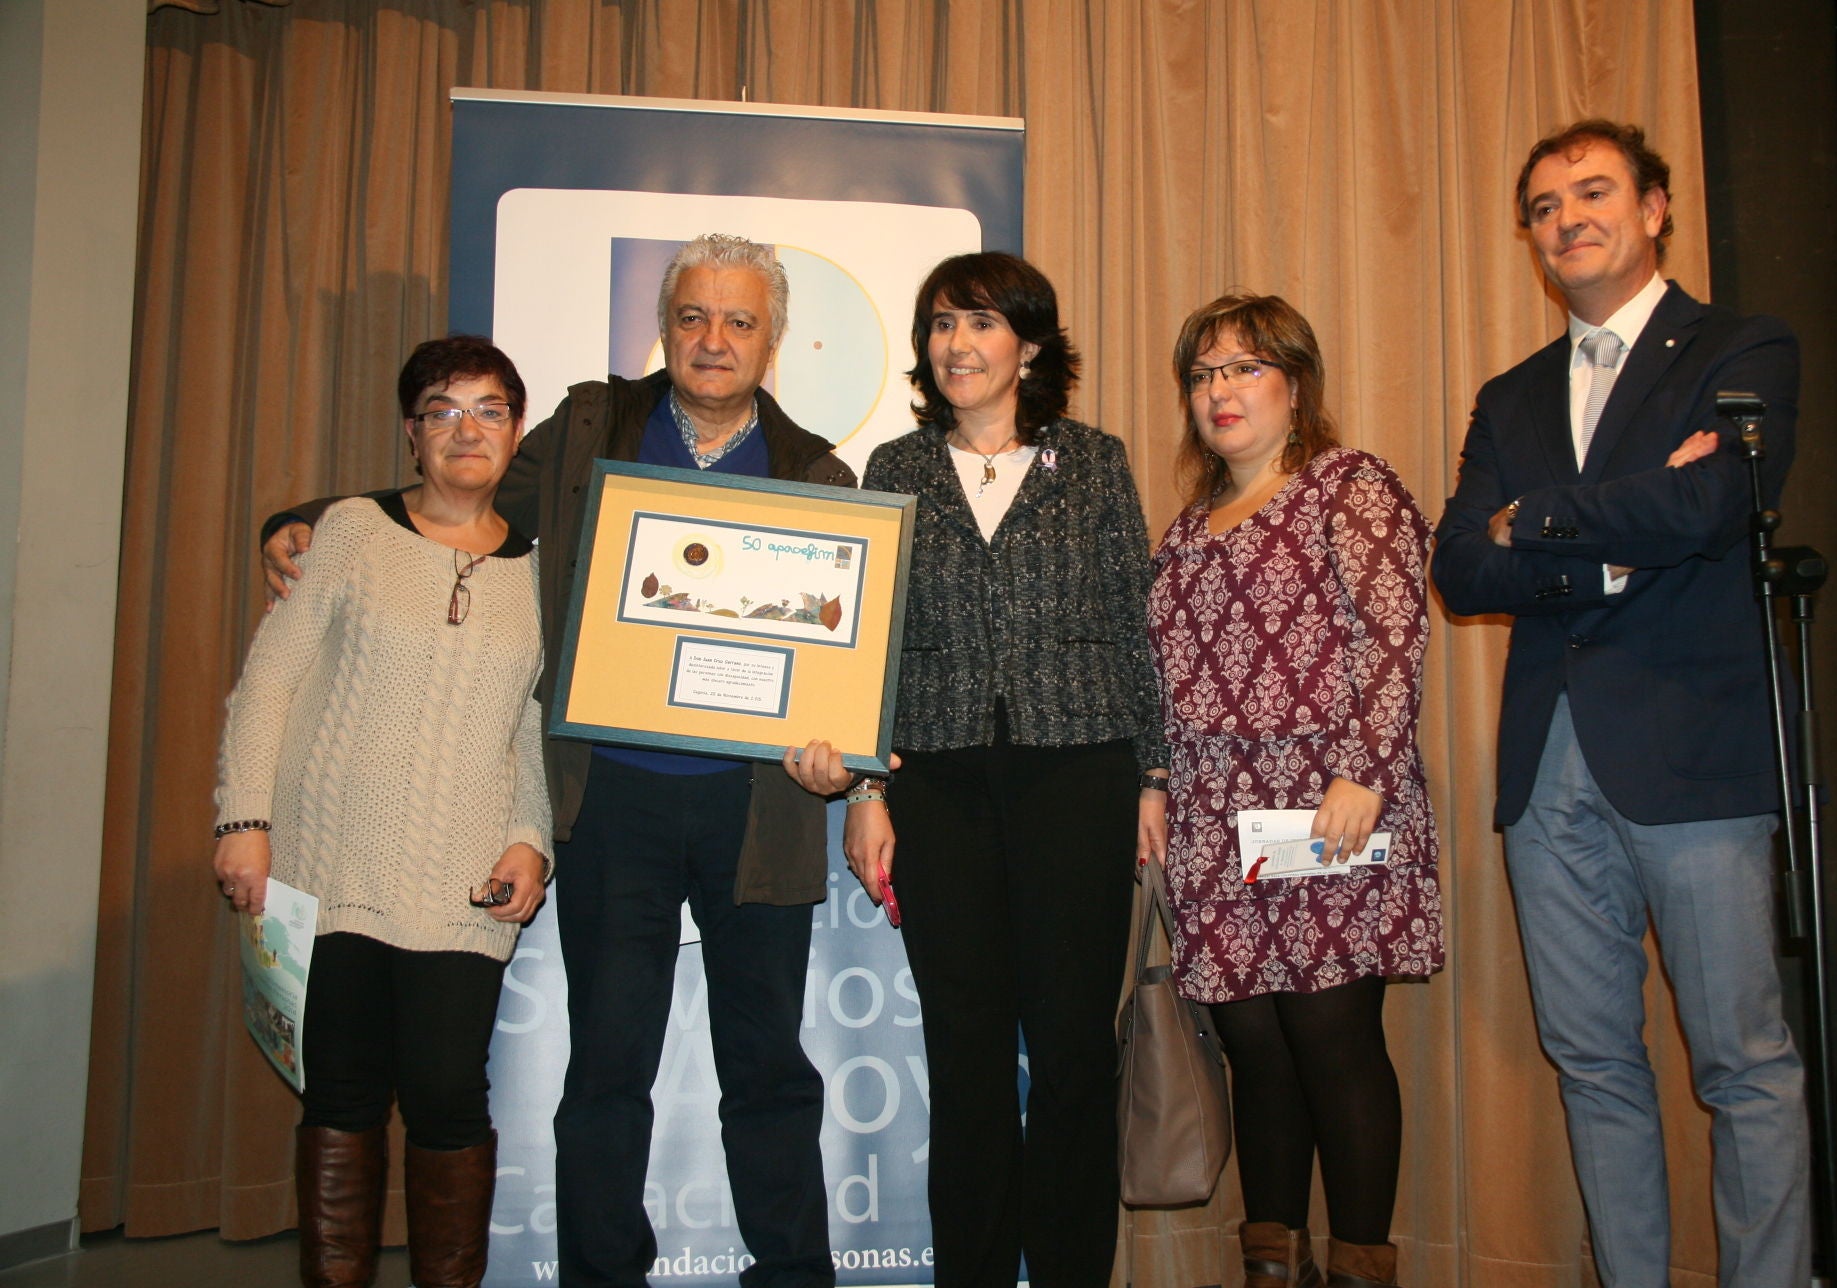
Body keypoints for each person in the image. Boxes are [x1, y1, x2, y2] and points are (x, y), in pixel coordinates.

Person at [263, 235, 857, 1288]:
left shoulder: (819, 470)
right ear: (663, 328)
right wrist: (309, 523)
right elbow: (464, 505)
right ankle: (602, 1274)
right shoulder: (591, 426)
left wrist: (840, 760)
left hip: (757, 812)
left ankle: (795, 1273)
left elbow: (840, 663)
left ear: (772, 341)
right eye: (692, 317)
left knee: (767, 1067)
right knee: (607, 1071)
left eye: (738, 321)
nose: (712, 340)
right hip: (613, 804)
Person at [1432, 120, 1809, 1286]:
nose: (1566, 219)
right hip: (1548, 771)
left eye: (1592, 192)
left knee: (1743, 1065)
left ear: (1654, 207)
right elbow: (1457, 568)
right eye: (1543, 206)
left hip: (1693, 758)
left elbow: (1715, 509)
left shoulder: (1743, 345)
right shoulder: (1510, 397)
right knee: (1592, 1064)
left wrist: (1539, 518)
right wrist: (1613, 534)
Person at [790, 251, 1164, 1287]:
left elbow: (1140, 629)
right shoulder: (897, 470)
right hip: (938, 781)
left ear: (1028, 346)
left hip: (1077, 772)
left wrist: (1153, 779)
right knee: (963, 1059)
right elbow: (869, 640)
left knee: (1074, 1053)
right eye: (941, 325)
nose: (956, 344)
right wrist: (866, 790)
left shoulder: (1092, 461)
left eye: (981, 324)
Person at [215, 335, 549, 1288]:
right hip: (327, 873)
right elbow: (268, 682)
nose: (466, 429)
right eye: (442, 410)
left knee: (447, 1097)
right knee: (343, 1097)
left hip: (464, 886)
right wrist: (243, 820)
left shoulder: (538, 572)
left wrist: (530, 841)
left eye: (488, 410)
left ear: (515, 432)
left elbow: (530, 727)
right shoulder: (350, 534)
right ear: (412, 435)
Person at [1143, 293, 1442, 1288]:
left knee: (1331, 1037)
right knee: (1253, 1044)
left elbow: (1392, 630)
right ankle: (1270, 1259)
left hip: (1326, 800)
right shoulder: (1183, 530)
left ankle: (1360, 1264)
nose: (1219, 390)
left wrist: (1366, 768)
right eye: (1202, 373)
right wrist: (1151, 783)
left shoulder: (1346, 487)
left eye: (1242, 367)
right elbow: (1158, 676)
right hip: (1210, 817)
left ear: (1295, 384)